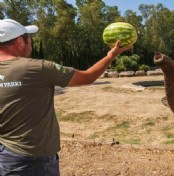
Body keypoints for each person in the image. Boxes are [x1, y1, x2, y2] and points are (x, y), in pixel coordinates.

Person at [0, 19, 131, 175]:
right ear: (20, 41)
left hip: (5, 154)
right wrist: (111, 55)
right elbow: (87, 77)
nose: (31, 43)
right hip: (33, 160)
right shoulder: (37, 68)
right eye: (29, 38)